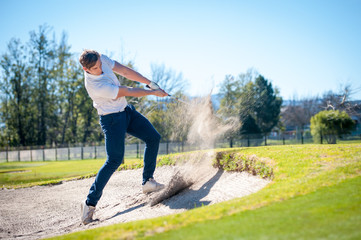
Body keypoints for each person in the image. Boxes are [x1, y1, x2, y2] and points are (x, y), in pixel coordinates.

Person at [78, 49, 168, 225]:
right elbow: (125, 90)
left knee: (153, 137)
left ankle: (148, 181)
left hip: (126, 111)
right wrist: (152, 93)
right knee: (114, 160)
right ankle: (89, 203)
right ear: (86, 70)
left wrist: (150, 83)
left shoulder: (101, 59)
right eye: (96, 68)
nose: (100, 69)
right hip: (111, 120)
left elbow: (125, 71)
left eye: (100, 65)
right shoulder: (95, 86)